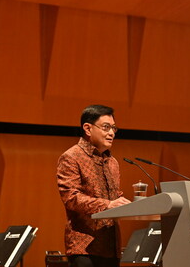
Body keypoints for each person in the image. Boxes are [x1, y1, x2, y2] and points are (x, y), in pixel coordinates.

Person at [57, 105, 131, 267]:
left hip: (112, 246)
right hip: (84, 247)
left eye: (113, 128)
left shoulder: (112, 162)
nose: (111, 133)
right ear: (88, 128)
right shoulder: (71, 157)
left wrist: (128, 205)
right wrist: (109, 205)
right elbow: (71, 198)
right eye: (106, 127)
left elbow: (114, 197)